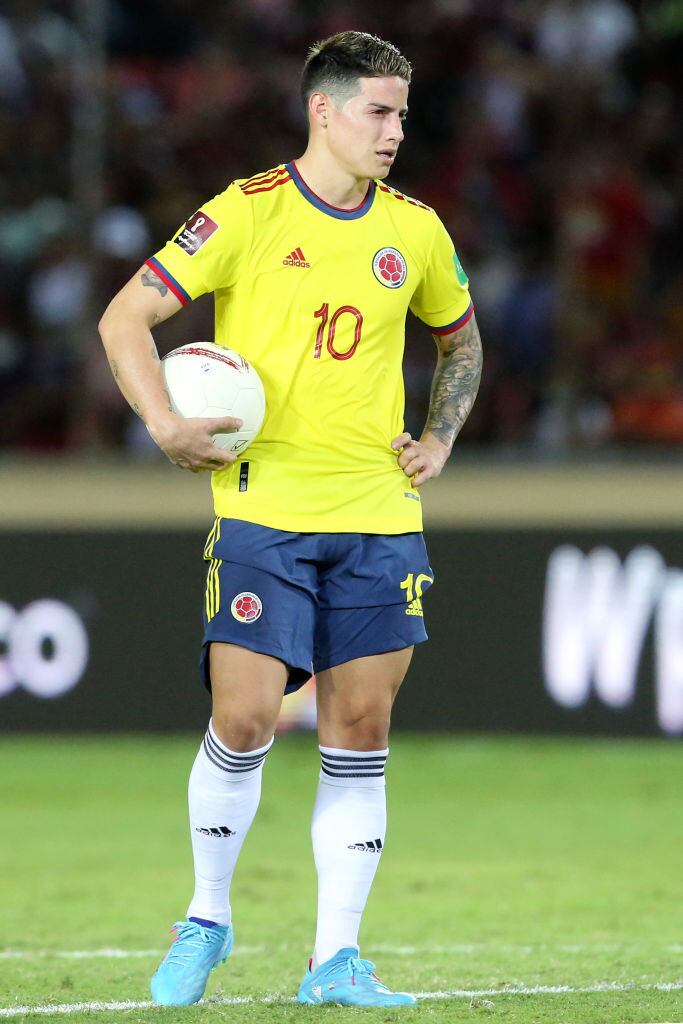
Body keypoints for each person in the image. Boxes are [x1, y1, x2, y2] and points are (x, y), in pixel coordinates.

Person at [98, 30, 482, 1008]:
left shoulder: (417, 231)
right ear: (323, 109)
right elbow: (122, 319)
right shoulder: (248, 211)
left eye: (402, 112)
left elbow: (461, 342)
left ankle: (333, 960)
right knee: (244, 714)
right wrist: (163, 422)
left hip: (377, 515)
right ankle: (208, 915)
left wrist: (436, 437)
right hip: (262, 508)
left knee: (358, 727)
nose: (396, 130)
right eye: (378, 111)